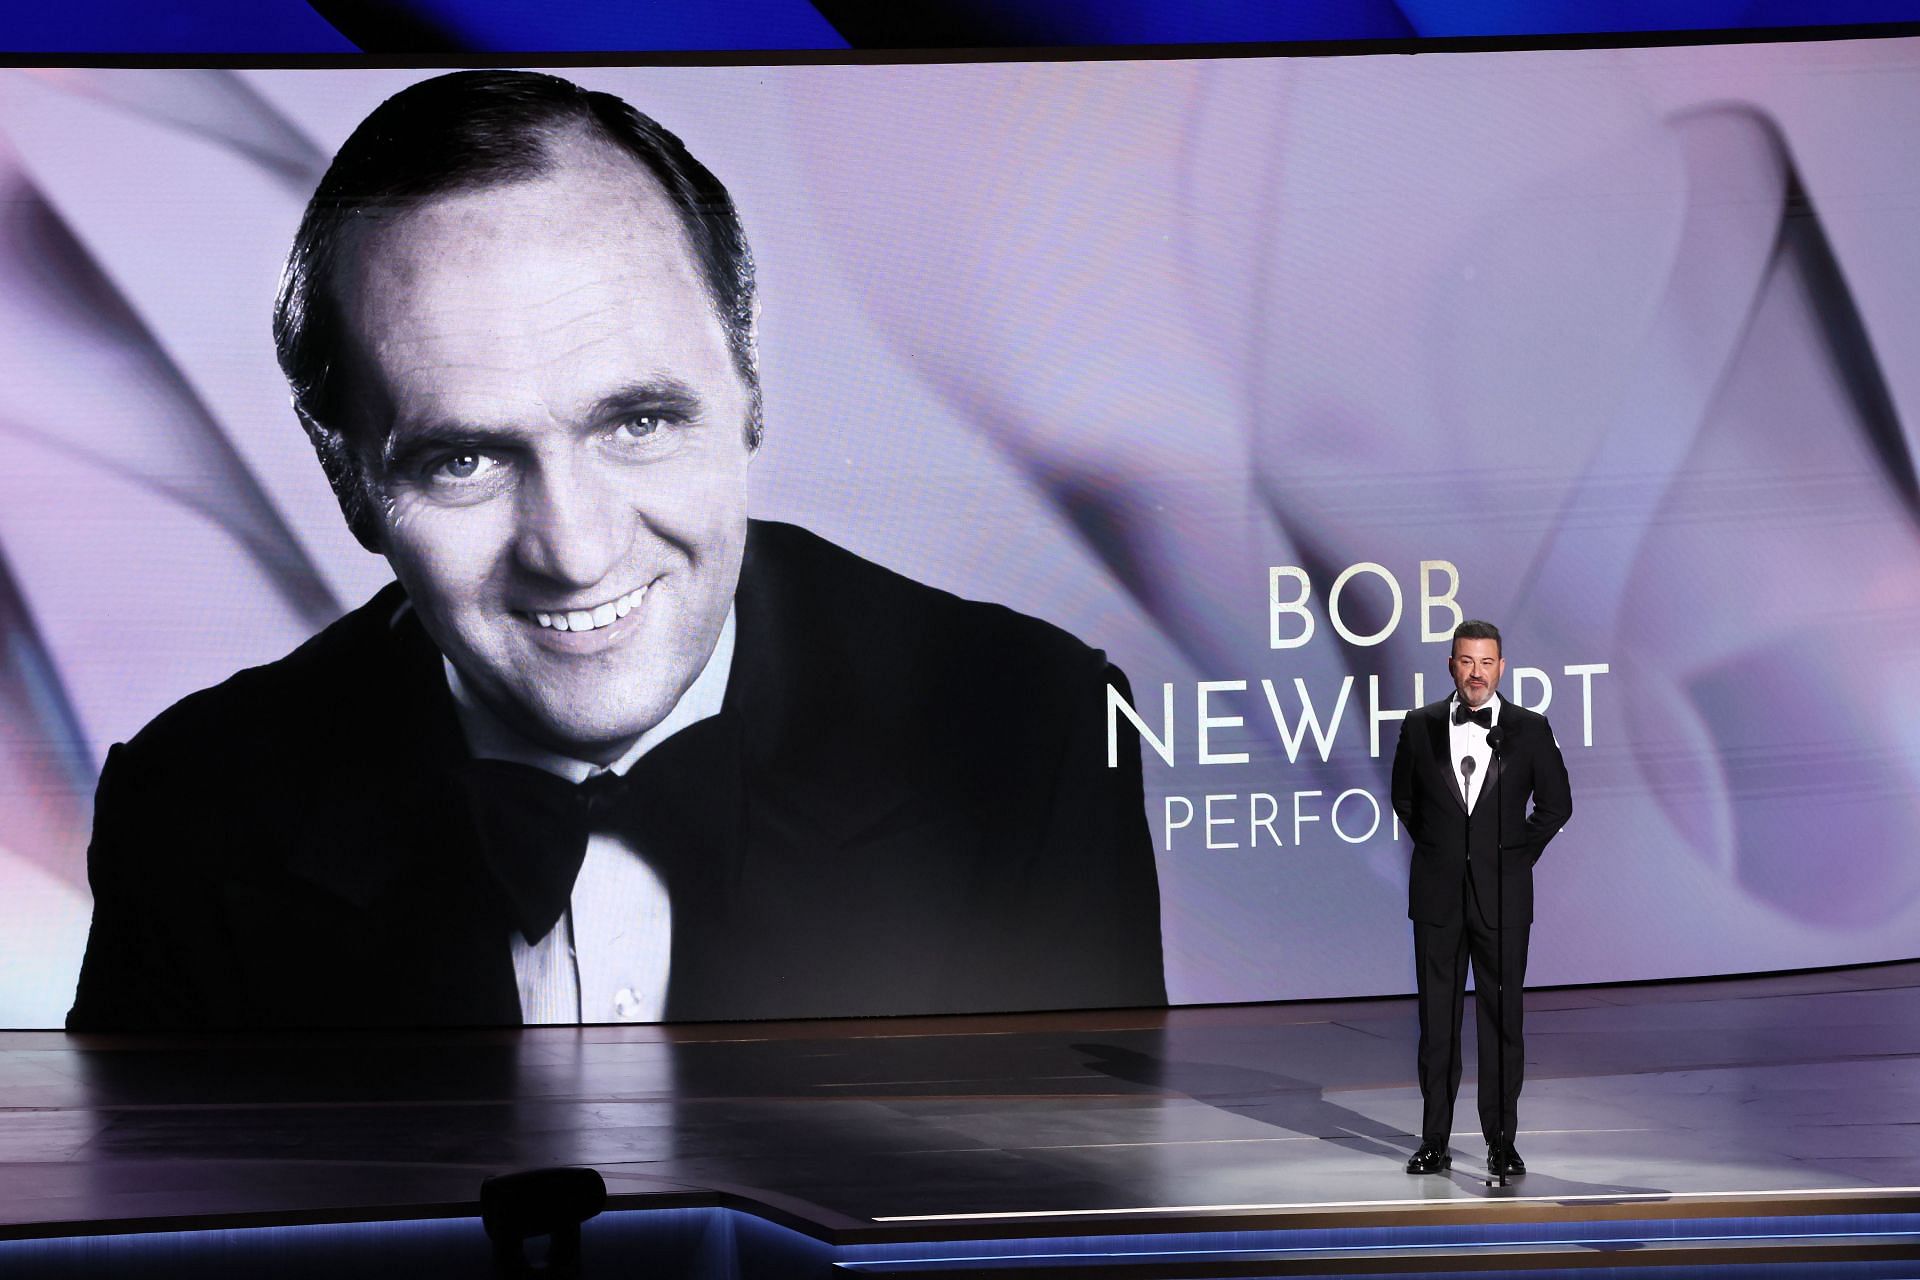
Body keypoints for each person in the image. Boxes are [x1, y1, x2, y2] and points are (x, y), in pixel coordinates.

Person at [65, 69, 1165, 1030]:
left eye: (638, 422)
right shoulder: (194, 814)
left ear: (748, 394)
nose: (577, 551)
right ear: (349, 480)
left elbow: (1073, 1228)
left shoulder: (1034, 729)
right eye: (464, 460)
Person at [1390, 620, 1571, 1177]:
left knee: (1502, 1022)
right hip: (1439, 900)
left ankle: (1501, 1141)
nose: (1476, 673)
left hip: (1503, 900)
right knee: (1436, 1024)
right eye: (1466, 662)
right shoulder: (1419, 726)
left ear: (1501, 667)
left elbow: (1557, 804)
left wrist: (1514, 856)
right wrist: (1447, 851)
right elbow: (1404, 799)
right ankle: (1433, 1141)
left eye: (1486, 662)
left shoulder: (1529, 728)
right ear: (1451, 665)